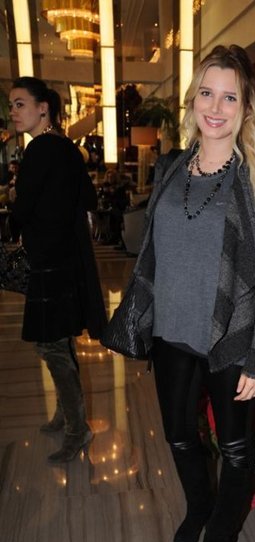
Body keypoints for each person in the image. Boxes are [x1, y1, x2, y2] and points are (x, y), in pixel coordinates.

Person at [107, 44, 255, 542]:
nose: (216, 107)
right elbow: (155, 250)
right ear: (193, 100)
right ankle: (199, 506)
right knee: (178, 435)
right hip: (170, 329)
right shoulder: (171, 167)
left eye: (229, 97)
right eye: (207, 94)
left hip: (231, 333)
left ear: (246, 107)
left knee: (235, 449)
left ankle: (219, 540)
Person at [9, 76, 107, 463]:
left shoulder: (40, 149)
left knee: (52, 346)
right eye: (12, 105)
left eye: (20, 104)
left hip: (49, 262)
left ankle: (77, 430)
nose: (13, 112)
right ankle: (67, 415)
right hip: (66, 260)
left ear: (42, 108)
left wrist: (15, 216)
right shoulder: (66, 147)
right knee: (59, 343)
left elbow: (23, 208)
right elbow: (88, 197)